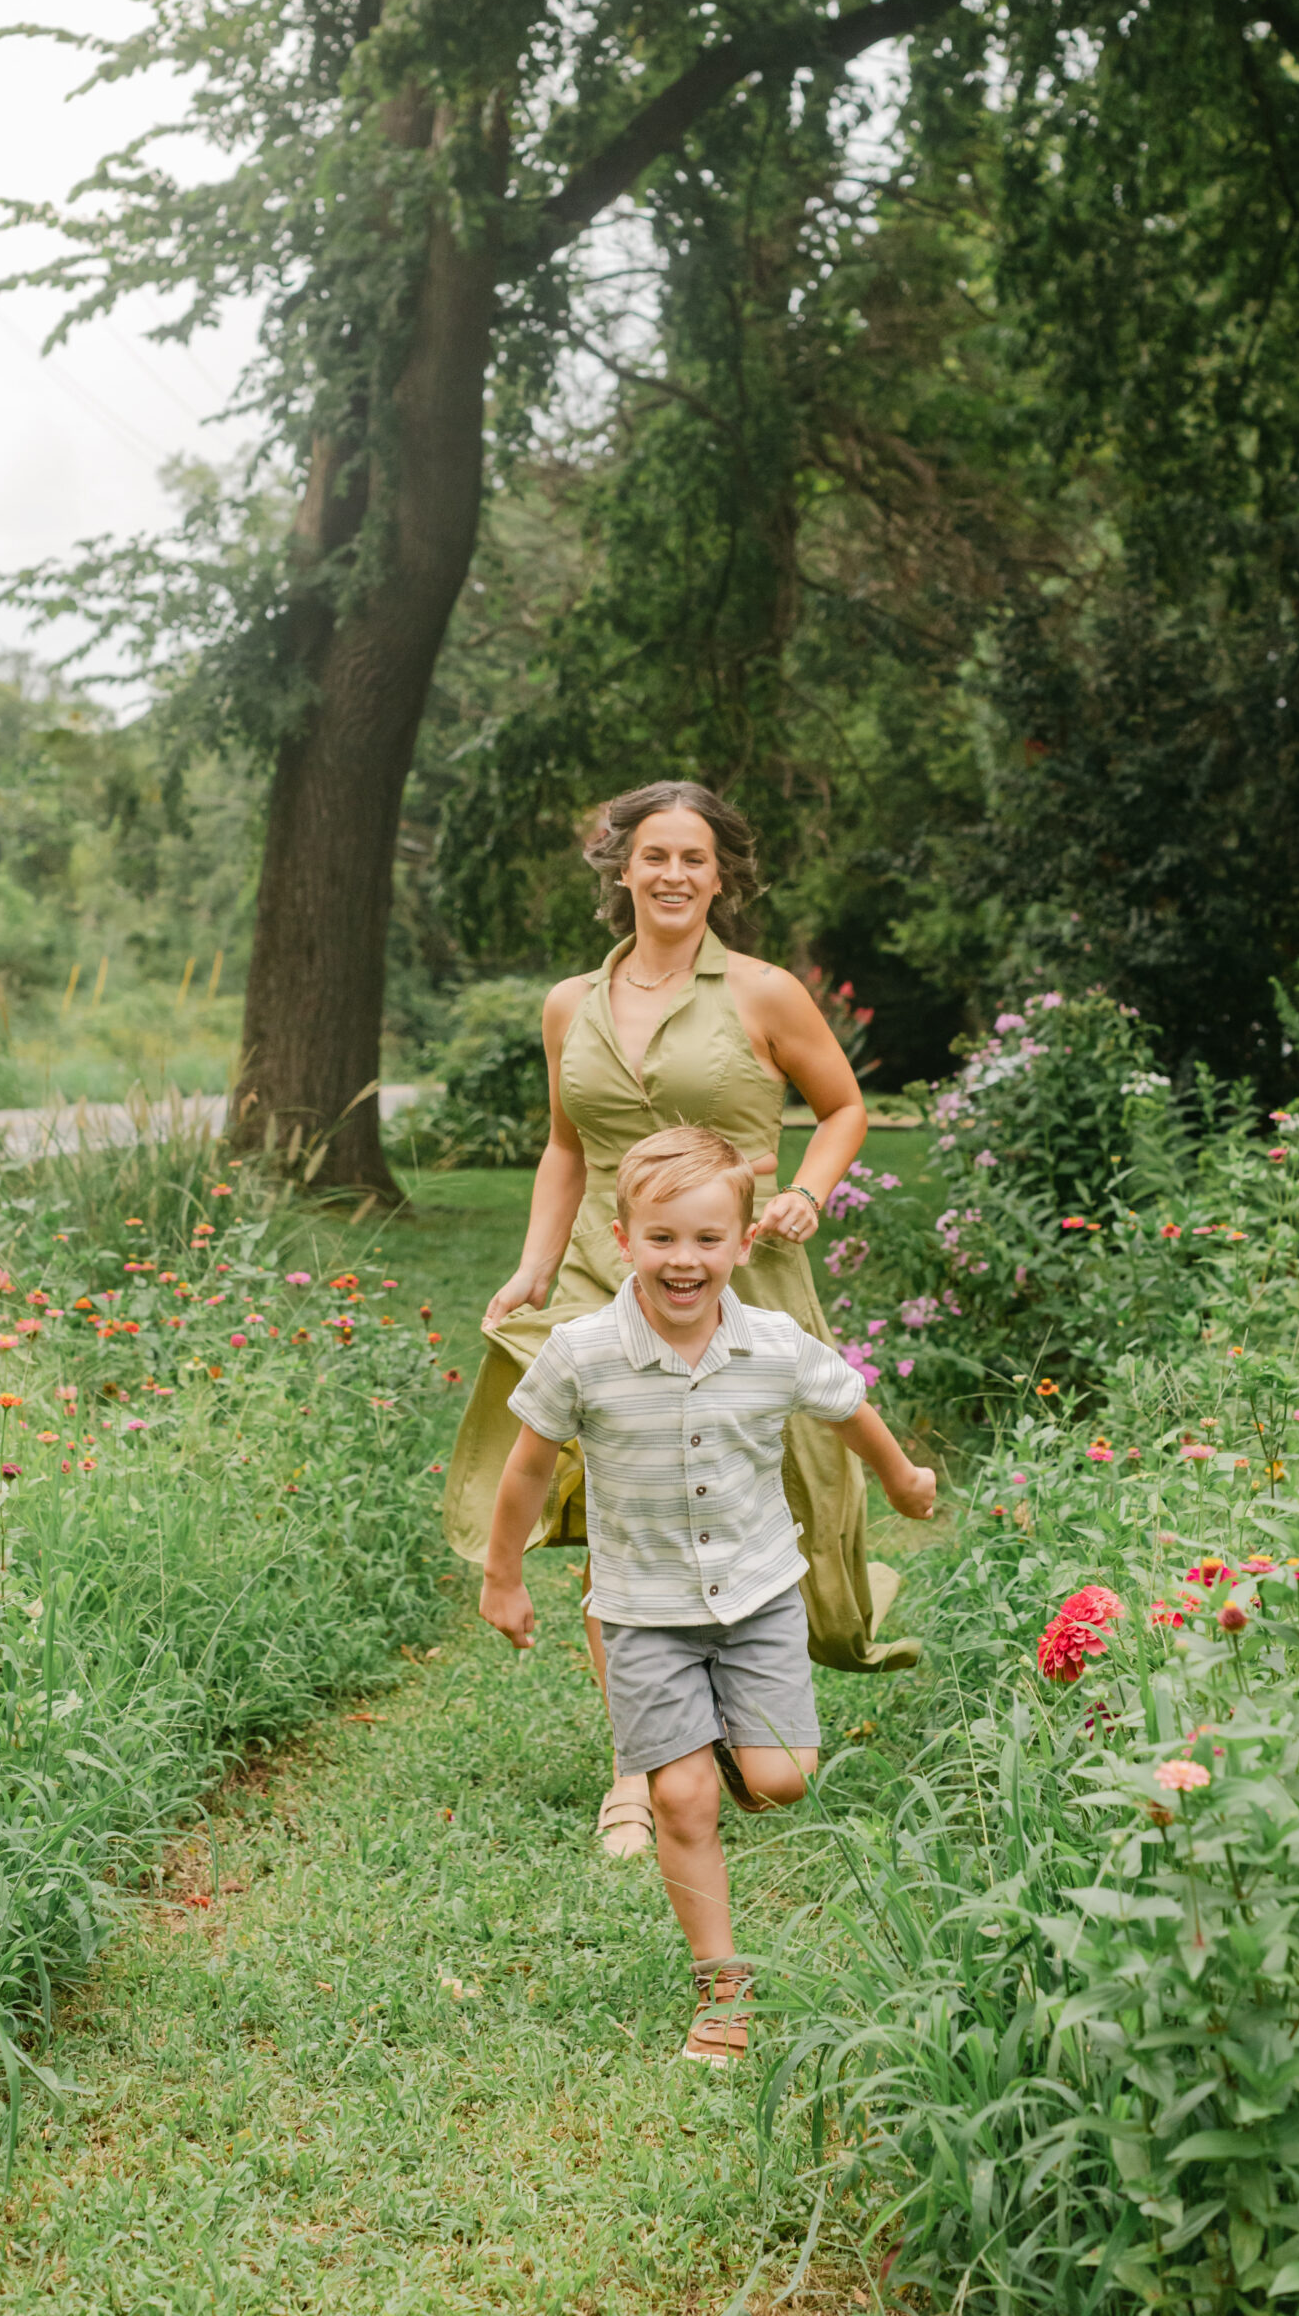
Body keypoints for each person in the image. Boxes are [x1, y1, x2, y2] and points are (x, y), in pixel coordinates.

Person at [442, 779, 919, 1861]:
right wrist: (531, 1269)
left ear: (723, 875)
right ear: (620, 867)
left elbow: (844, 1108)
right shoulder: (572, 1002)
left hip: (738, 1268)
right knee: (619, 1494)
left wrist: (808, 1187)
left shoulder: (764, 993)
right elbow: (566, 1148)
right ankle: (639, 1766)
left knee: (790, 1491)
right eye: (652, 854)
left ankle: (760, 1694)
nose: (670, 874)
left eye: (693, 858)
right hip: (609, 1274)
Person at [480, 1125, 936, 2062]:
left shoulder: (773, 1343)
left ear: (739, 1243)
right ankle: (721, 1989)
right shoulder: (580, 1352)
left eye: (704, 1240)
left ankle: (719, 1738)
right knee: (684, 1804)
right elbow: (525, 1468)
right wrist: (503, 1575)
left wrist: (897, 1481)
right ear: (620, 1239)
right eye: (661, 1239)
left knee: (782, 1781)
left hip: (760, 1597)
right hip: (640, 1611)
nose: (682, 1260)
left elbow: (848, 1405)